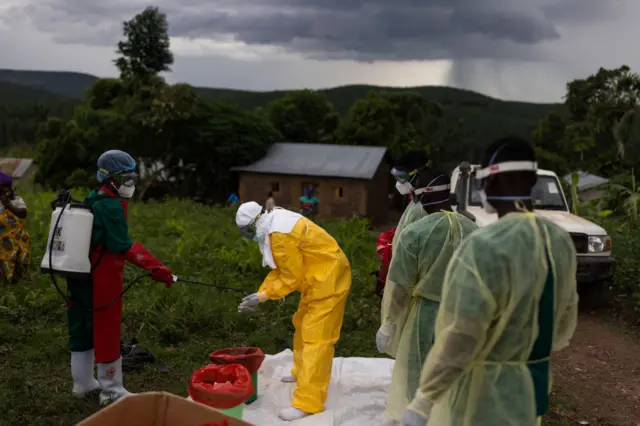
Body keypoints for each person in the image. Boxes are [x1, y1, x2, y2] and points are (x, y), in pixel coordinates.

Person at [402, 137, 579, 426]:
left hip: (483, 393)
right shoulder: (558, 241)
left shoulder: (484, 246)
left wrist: (424, 399)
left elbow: (462, 333)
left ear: (489, 183)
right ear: (532, 181)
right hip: (531, 388)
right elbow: (564, 318)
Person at [66, 150, 174, 406]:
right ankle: (112, 389)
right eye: (126, 178)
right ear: (110, 178)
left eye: (133, 177)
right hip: (102, 278)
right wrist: (157, 268)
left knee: (81, 327)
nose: (131, 183)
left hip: (78, 275)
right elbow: (123, 246)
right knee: (106, 330)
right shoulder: (112, 206)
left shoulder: (93, 199)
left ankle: (82, 384)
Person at [377, 170, 478, 425]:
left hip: (426, 312)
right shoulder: (474, 230)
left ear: (420, 196)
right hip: (463, 312)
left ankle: (416, 415)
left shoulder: (415, 233)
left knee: (417, 367)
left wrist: (389, 323)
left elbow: (401, 287)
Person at [235, 202, 351, 421]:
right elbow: (283, 269)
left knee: (317, 340)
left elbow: (290, 278)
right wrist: (260, 294)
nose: (250, 237)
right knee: (301, 322)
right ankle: (301, 371)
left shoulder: (279, 235)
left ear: (255, 223)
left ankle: (309, 402)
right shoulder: (274, 223)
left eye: (248, 232)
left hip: (329, 280)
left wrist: (261, 297)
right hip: (317, 276)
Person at [0, 172, 29, 283]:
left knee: (19, 264)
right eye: (1, 188)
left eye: (6, 187)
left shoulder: (16, 200)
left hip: (18, 240)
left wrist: (8, 204)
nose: (4, 190)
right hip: (2, 242)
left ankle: (18, 284)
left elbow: (23, 213)